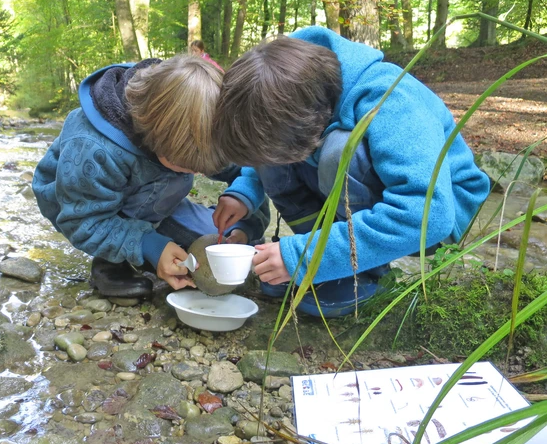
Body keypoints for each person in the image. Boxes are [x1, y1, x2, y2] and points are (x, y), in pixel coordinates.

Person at [212, 27, 490, 317]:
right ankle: (331, 261)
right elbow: (267, 149)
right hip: (374, 195)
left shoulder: (391, 99)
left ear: (308, 125)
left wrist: (305, 257)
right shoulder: (290, 87)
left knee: (340, 151)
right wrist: (244, 191)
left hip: (439, 212)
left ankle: (361, 270)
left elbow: (429, 213)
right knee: (281, 162)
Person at [32, 55, 269, 298]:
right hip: (83, 205)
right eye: (188, 166)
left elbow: (251, 168)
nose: (198, 173)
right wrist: (149, 245)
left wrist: (242, 199)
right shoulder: (94, 148)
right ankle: (110, 261)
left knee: (223, 250)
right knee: (151, 245)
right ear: (154, 137)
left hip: (158, 196)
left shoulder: (202, 125)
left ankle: (151, 240)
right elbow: (82, 222)